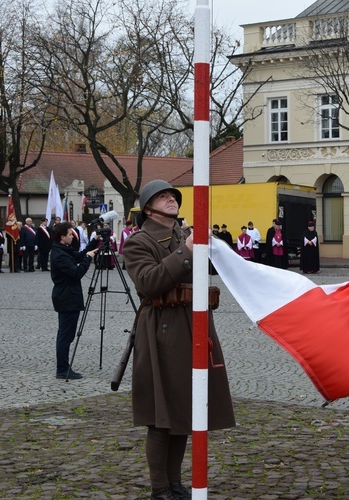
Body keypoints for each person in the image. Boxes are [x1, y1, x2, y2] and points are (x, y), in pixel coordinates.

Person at [123, 179, 235, 500]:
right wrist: (186, 251)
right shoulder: (138, 242)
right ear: (147, 207)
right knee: (161, 417)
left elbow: (212, 268)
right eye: (163, 196)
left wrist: (208, 245)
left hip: (193, 326)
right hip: (161, 330)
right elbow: (148, 282)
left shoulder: (185, 235)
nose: (171, 199)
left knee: (186, 409)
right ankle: (160, 489)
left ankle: (175, 483)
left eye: (173, 195)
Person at [50, 221, 98, 380]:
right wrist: (88, 259)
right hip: (66, 297)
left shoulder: (63, 249)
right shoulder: (59, 254)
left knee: (65, 334)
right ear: (62, 237)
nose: (73, 236)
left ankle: (63, 367)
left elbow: (79, 255)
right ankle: (62, 369)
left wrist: (94, 242)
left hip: (68, 296)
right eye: (70, 234)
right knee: (66, 335)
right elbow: (76, 272)